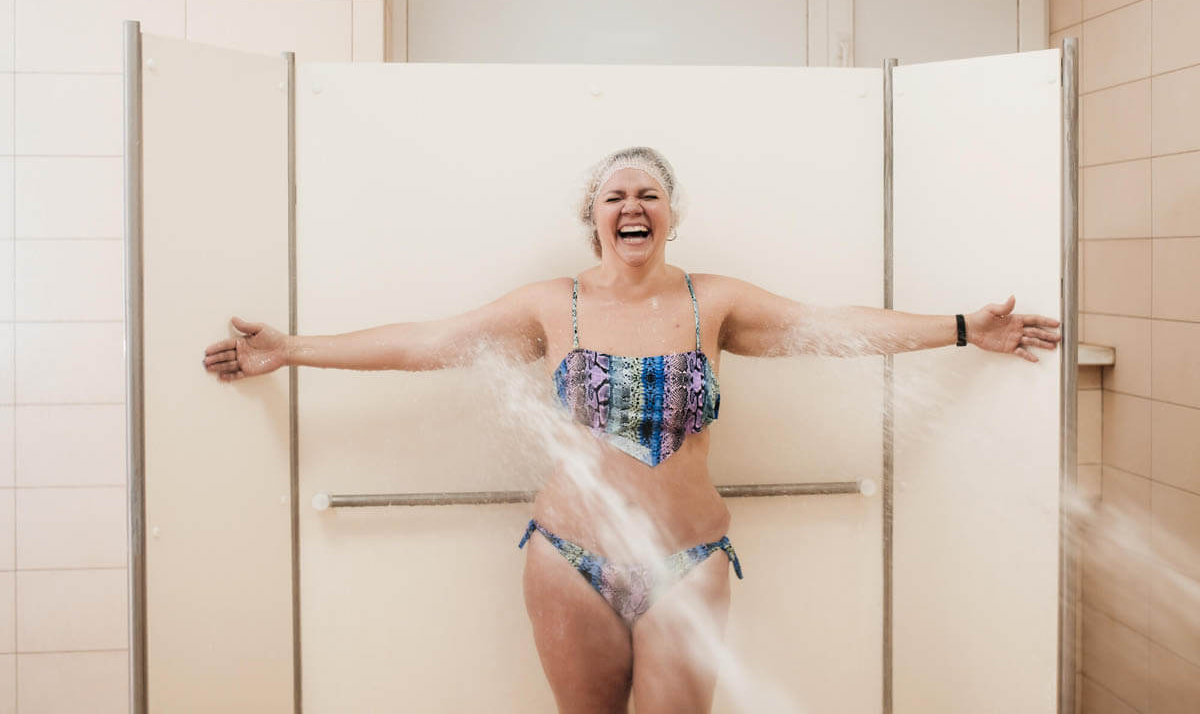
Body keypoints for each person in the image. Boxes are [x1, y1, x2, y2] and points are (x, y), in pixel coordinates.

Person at [203, 146, 1061, 713]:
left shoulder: (715, 301)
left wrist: (961, 328)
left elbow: (834, 327)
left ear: (671, 214)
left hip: (687, 561)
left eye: (649, 193)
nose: (633, 205)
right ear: (595, 218)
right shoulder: (552, 305)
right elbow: (427, 343)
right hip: (568, 557)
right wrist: (293, 349)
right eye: (615, 196)